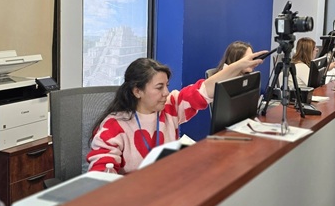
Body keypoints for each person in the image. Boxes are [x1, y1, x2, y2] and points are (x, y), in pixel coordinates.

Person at [87, 51, 265, 174]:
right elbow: (100, 175)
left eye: (167, 86)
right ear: (137, 91)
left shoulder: (170, 106)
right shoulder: (114, 126)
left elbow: (204, 89)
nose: (166, 93)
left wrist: (238, 66)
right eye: (159, 87)